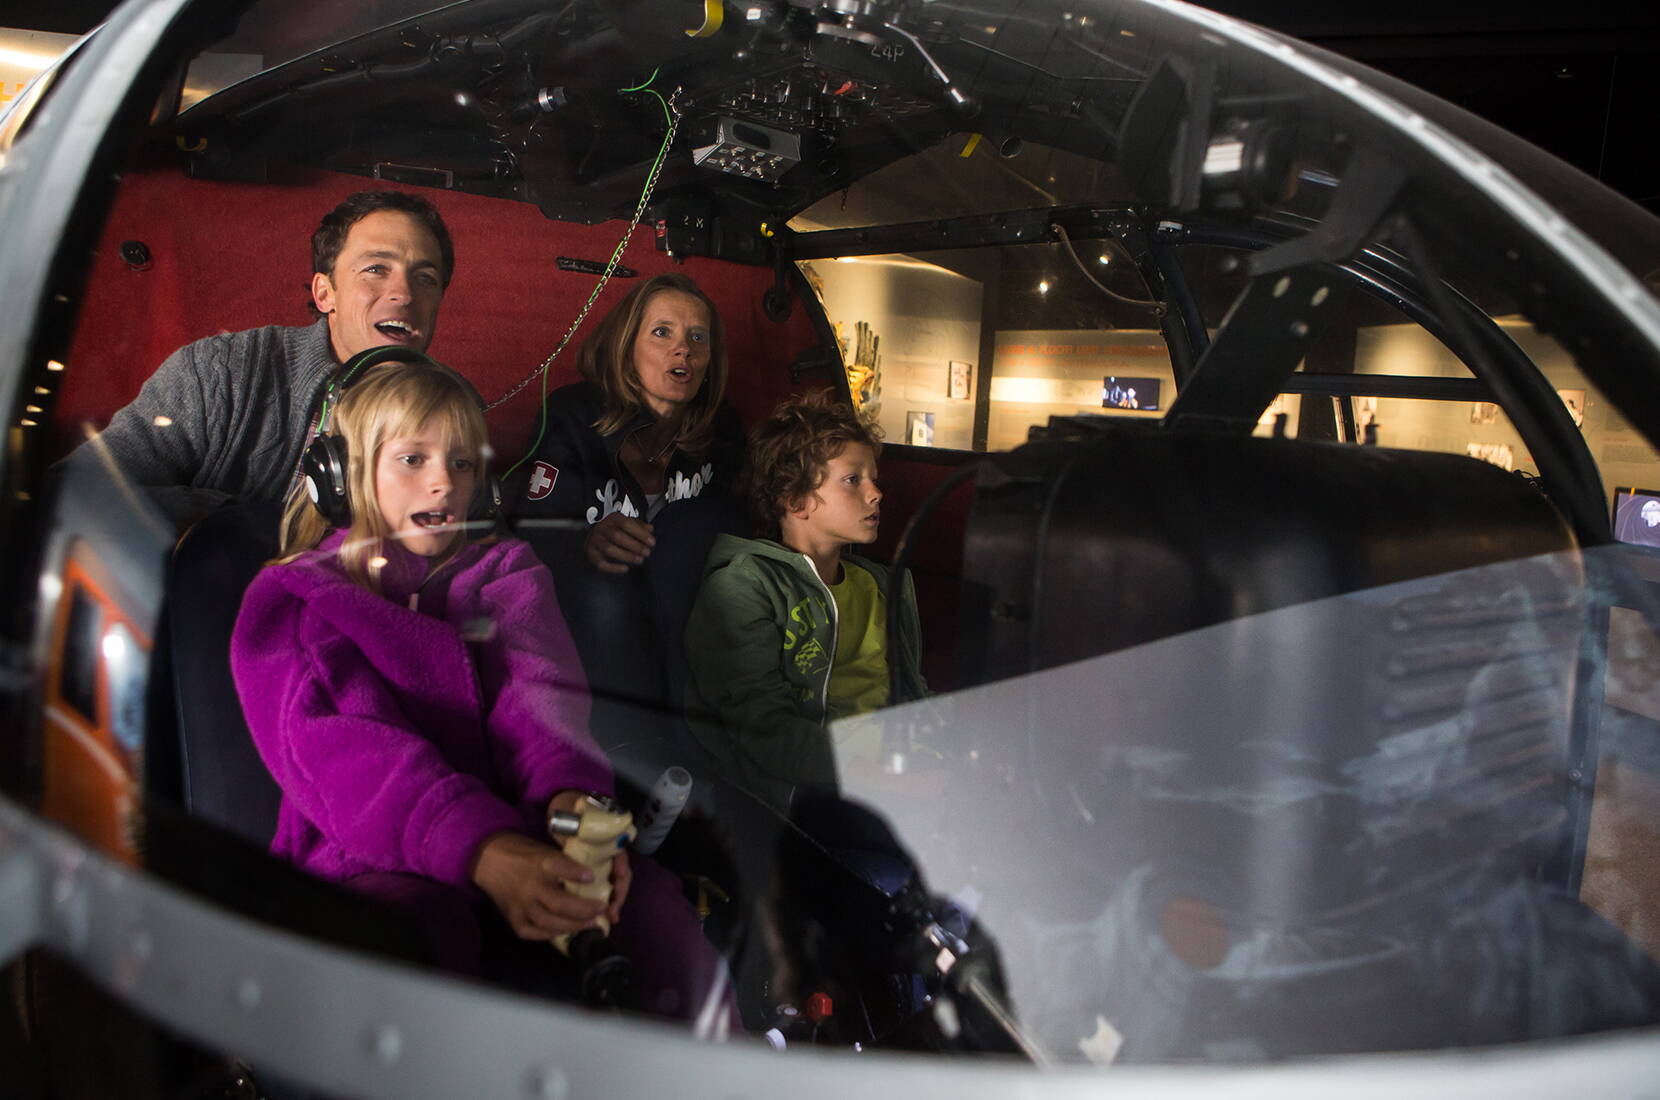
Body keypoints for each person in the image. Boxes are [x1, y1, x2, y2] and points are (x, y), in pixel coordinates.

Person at [231, 353, 724, 1017]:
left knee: (658, 913)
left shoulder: (505, 572)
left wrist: (574, 814)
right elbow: (354, 761)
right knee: (422, 936)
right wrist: (485, 851)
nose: (443, 481)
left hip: (520, 838)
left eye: (462, 463)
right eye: (413, 459)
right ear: (346, 477)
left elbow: (543, 704)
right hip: (370, 860)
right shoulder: (298, 599)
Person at [66, 190, 452, 526]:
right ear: (324, 294)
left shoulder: (452, 411)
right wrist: (242, 525)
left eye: (425, 278)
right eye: (375, 269)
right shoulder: (219, 373)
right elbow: (77, 491)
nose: (403, 293)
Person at [513, 273, 745, 732]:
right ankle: (624, 751)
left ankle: (696, 742)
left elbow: (735, 533)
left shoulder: (724, 431)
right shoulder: (575, 413)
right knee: (608, 595)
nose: (684, 350)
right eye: (663, 333)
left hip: (681, 618)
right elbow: (531, 530)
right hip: (594, 623)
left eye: (698, 338)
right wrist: (586, 539)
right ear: (626, 344)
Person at [682, 391, 926, 814]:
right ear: (794, 499)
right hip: (808, 789)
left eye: (874, 478)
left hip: (895, 766)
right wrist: (885, 779)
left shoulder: (882, 586)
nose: (876, 494)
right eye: (853, 480)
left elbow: (911, 694)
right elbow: (764, 733)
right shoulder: (746, 587)